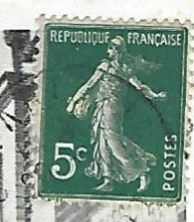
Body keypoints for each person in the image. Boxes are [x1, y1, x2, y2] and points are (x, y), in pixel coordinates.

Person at [66, 36, 167, 194]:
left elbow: (90, 85)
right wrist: (154, 95)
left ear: (117, 51)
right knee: (102, 141)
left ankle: (141, 169)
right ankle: (108, 179)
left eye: (111, 49)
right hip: (103, 106)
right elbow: (91, 85)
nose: (108, 51)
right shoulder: (117, 68)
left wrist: (154, 95)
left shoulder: (113, 68)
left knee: (113, 141)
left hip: (111, 107)